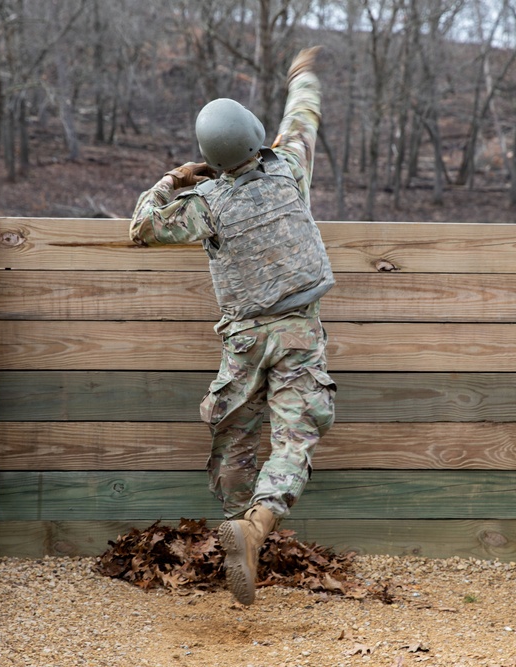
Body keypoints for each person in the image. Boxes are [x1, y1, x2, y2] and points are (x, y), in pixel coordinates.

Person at [128, 46, 336, 607]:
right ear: (255, 134)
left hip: (244, 342)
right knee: (296, 436)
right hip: (298, 333)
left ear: (209, 156)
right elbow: (303, 117)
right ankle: (257, 530)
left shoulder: (206, 204)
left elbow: (141, 228)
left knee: (235, 442)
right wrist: (303, 75)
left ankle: (235, 535)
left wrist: (174, 178)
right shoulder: (290, 167)